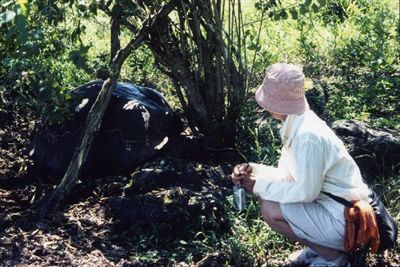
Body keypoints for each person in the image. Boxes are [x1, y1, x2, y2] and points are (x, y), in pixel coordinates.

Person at [231, 63, 372, 267]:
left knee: (270, 208)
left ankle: (334, 257)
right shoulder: (298, 124)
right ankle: (322, 249)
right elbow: (290, 176)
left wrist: (257, 186)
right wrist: (254, 170)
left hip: (347, 218)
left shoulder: (308, 136)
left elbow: (306, 192)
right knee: (269, 198)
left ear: (277, 104)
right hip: (332, 207)